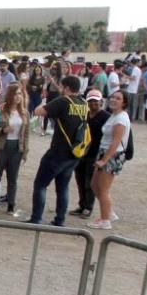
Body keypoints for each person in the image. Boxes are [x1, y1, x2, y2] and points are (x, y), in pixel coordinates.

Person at [29, 75, 88, 226]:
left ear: (67, 88)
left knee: (41, 184)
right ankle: (60, 219)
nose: (60, 89)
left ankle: (36, 218)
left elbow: (38, 111)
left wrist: (44, 102)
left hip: (58, 151)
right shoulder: (83, 103)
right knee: (63, 187)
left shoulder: (63, 101)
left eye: (61, 87)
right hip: (74, 152)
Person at [87, 90, 131, 230]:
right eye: (112, 97)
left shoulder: (121, 119)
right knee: (94, 185)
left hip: (112, 155)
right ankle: (108, 212)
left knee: (103, 188)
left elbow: (116, 142)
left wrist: (105, 160)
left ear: (123, 102)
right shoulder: (114, 115)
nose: (113, 100)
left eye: (118, 98)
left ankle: (105, 219)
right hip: (104, 152)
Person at [70, 89, 110, 219]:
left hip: (95, 154)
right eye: (90, 101)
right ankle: (81, 205)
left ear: (101, 102)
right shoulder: (84, 115)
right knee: (79, 180)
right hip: (82, 152)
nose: (93, 104)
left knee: (89, 182)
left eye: (96, 102)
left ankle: (88, 207)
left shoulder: (106, 117)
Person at [0, 83, 30, 216]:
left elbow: (26, 134)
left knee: (13, 177)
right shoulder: (1, 110)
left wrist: (25, 152)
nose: (18, 97)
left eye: (20, 94)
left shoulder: (24, 112)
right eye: (15, 94)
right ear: (10, 95)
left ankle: (11, 204)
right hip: (2, 146)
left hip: (17, 147)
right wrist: (3, 130)